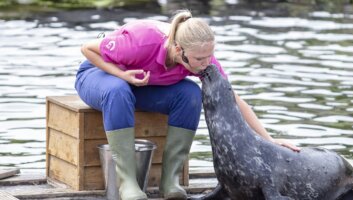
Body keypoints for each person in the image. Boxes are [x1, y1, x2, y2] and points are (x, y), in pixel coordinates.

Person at [75, 9, 300, 200]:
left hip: (140, 85)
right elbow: (87, 48)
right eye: (200, 60)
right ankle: (127, 184)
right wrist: (123, 75)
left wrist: (270, 140)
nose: (206, 64)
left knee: (191, 93)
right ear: (179, 51)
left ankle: (170, 181)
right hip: (98, 74)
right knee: (118, 90)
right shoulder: (143, 40)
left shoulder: (203, 58)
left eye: (209, 57)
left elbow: (232, 98)